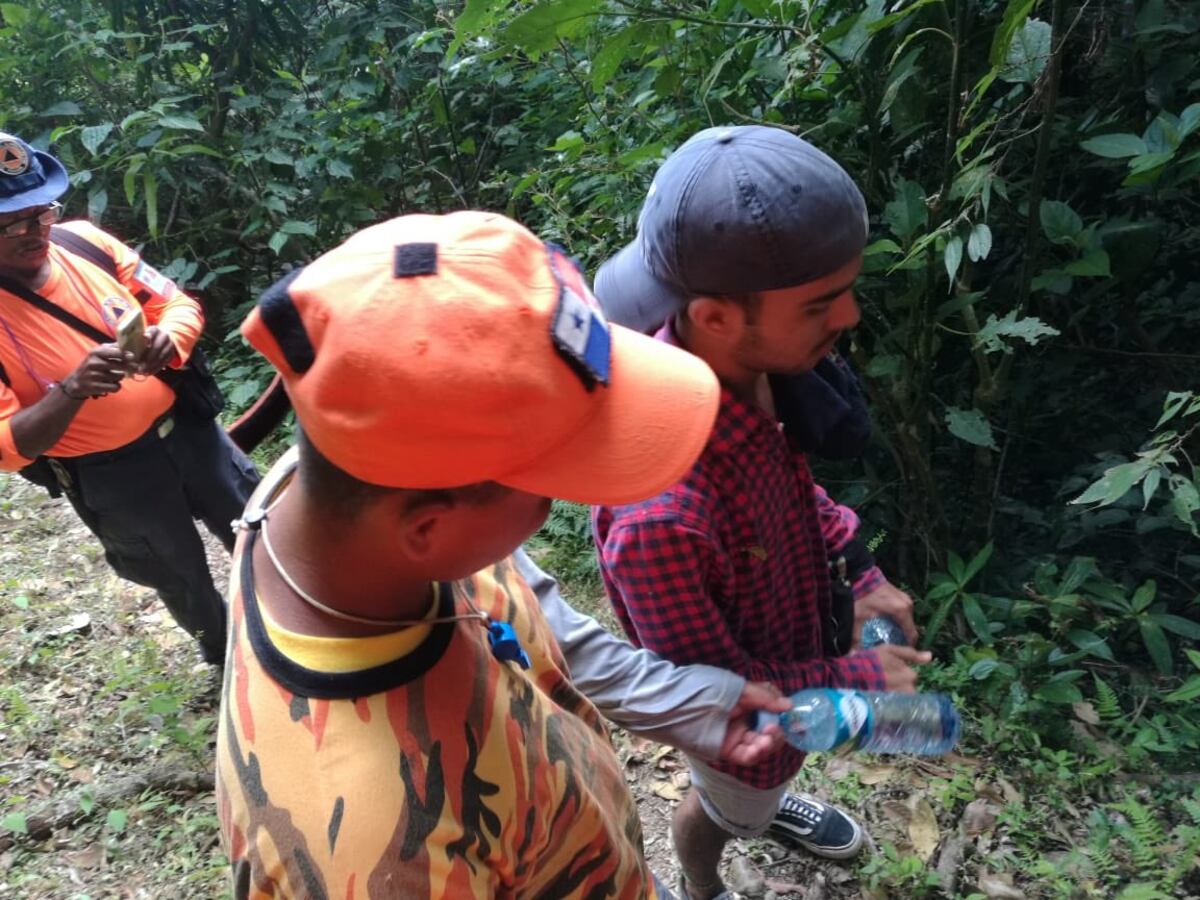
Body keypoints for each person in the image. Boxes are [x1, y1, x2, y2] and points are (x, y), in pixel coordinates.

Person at [214, 210, 793, 898]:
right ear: (427, 530)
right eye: (551, 489)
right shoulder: (370, 857)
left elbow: (532, 625)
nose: (554, 512)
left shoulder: (343, 489)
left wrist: (700, 704)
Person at [591, 125, 931, 900]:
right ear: (713, 316)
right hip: (747, 730)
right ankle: (703, 875)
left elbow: (795, 492)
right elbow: (720, 701)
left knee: (763, 792)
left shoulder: (749, 366)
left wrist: (859, 566)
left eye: (847, 288)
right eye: (819, 304)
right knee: (730, 799)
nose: (847, 317)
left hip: (797, 649)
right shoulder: (661, 519)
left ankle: (764, 809)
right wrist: (859, 681)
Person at [0, 132, 258, 665]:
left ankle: (294, 626)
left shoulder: (84, 243)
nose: (34, 231)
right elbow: (6, 447)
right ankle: (223, 653)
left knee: (257, 527)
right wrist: (72, 389)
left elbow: (176, 303)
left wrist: (173, 338)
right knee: (175, 570)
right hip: (110, 473)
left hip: (188, 433)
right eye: (11, 222)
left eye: (41, 212)